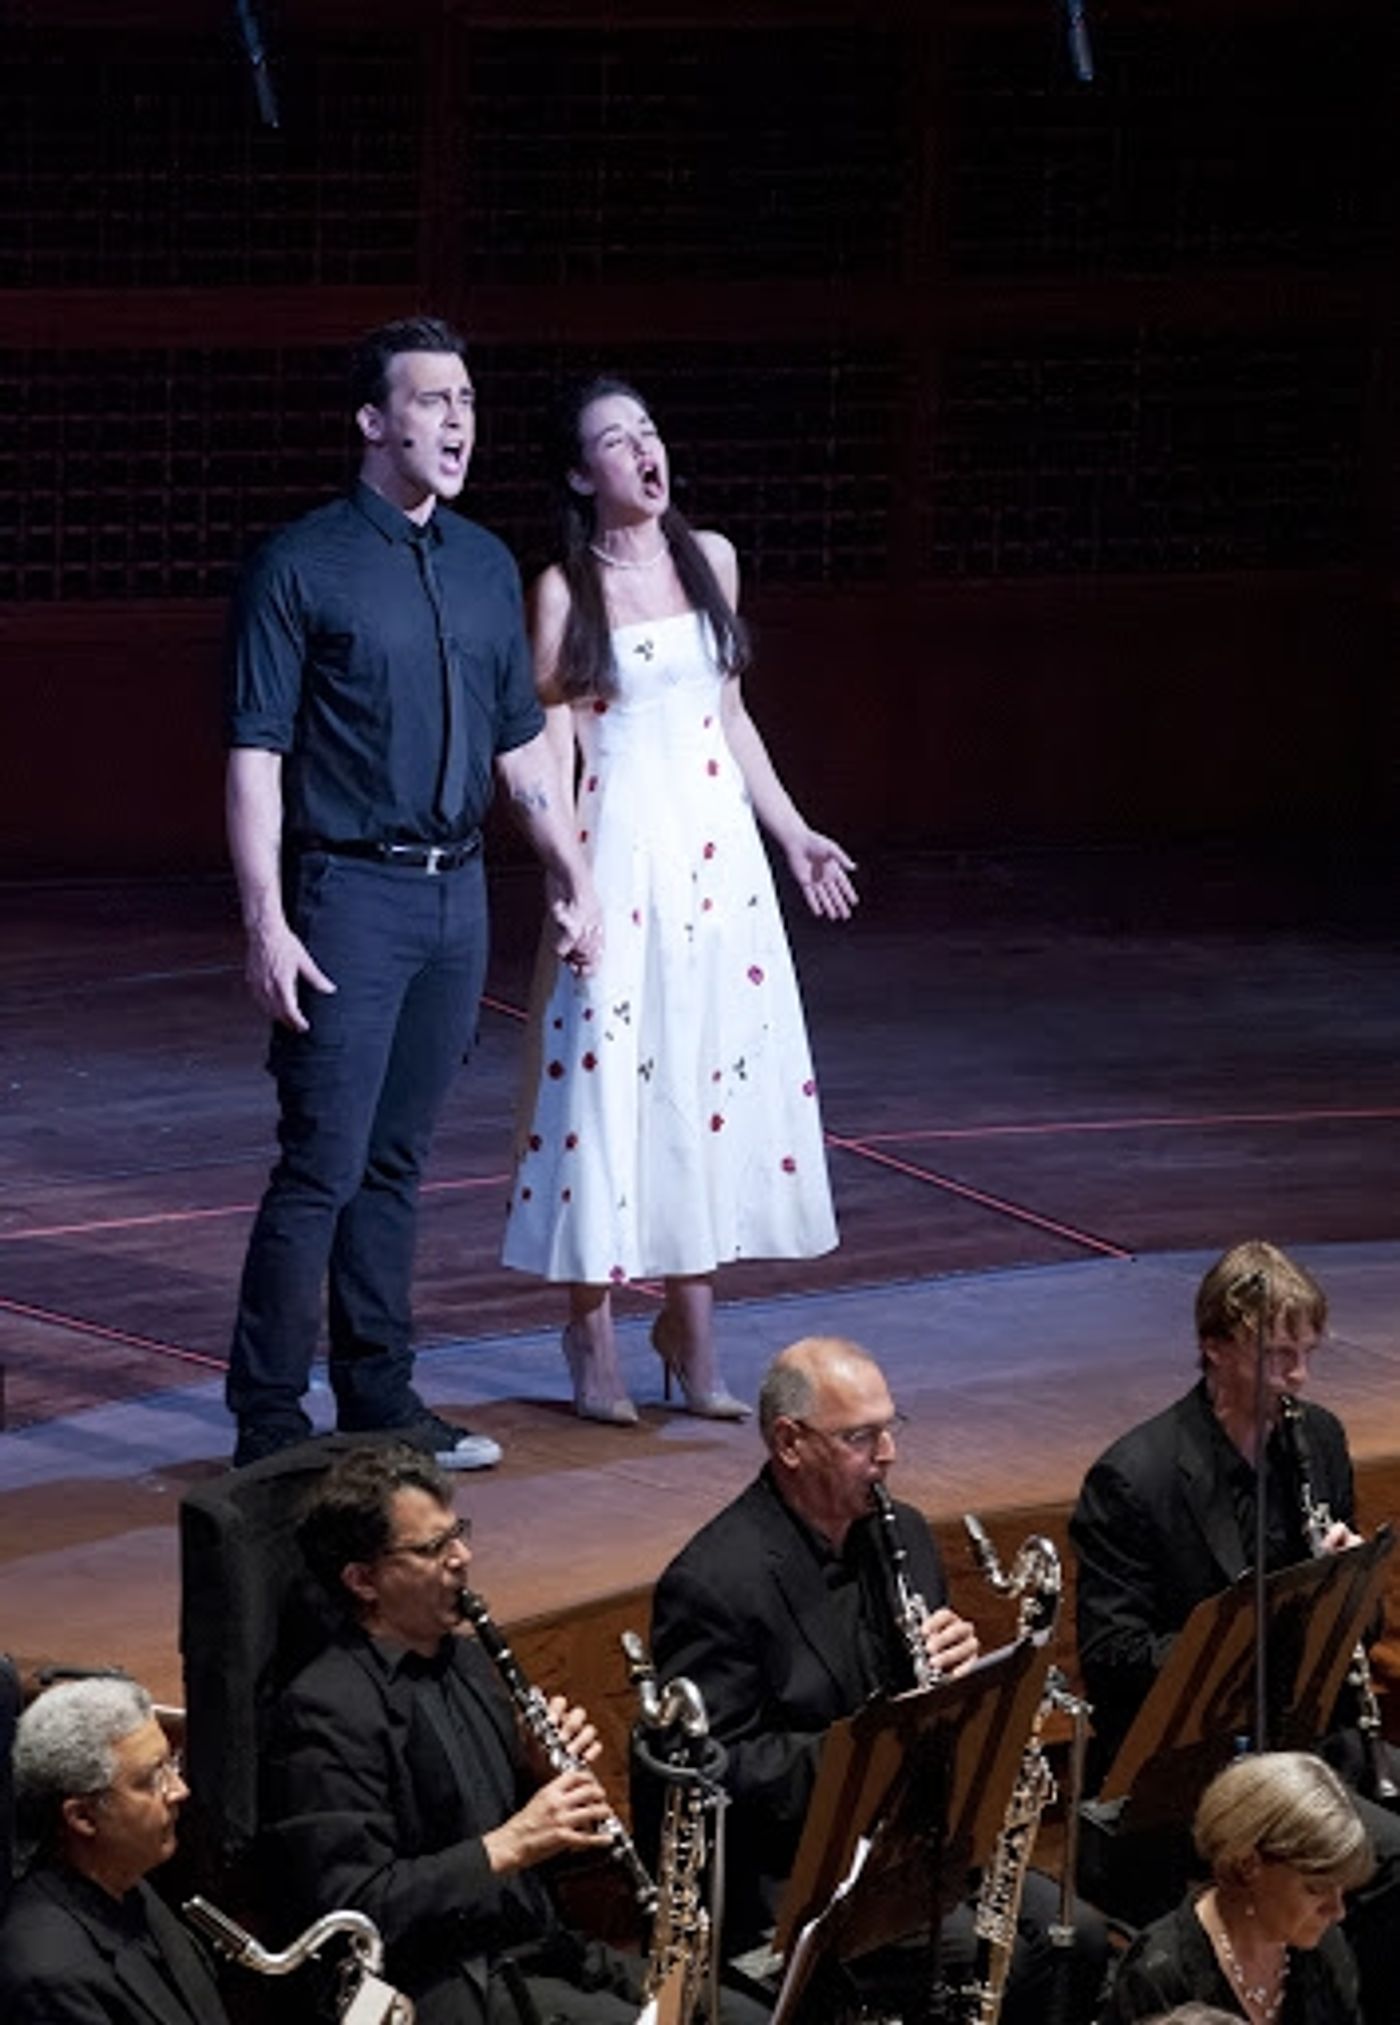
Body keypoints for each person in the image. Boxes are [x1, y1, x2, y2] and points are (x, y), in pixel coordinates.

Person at [224, 315, 600, 1470]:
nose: (456, 421)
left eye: (469, 402)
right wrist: (267, 923)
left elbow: (520, 750)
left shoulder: (487, 565)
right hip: (346, 896)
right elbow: (255, 755)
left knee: (397, 1163)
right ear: (373, 421)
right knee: (322, 1162)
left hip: (455, 903)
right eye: (432, 400)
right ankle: (273, 1423)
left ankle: (381, 1399)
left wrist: (573, 879)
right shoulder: (302, 564)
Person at [501, 377, 856, 1424]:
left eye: (649, 431)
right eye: (616, 441)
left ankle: (691, 1332)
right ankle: (591, 1328)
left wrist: (791, 835)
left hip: (718, 864)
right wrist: (568, 878)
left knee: (704, 1073)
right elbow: (554, 745)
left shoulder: (715, 562)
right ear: (581, 473)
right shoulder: (563, 590)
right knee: (605, 1087)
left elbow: (728, 717)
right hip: (622, 854)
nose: (643, 452)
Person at [646, 1334, 1106, 2023]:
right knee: (1012, 1952)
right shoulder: (714, 1583)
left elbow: (933, 1713)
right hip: (803, 1883)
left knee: (1079, 1937)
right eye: (861, 1436)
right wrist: (877, 1741)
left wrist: (960, 1687)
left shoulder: (906, 1534)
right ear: (789, 1441)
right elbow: (718, 1773)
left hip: (911, 1851)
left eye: (891, 1426)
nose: (887, 1452)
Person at [1069, 1238, 1400, 2011]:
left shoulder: (1316, 1438)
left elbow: (1363, 1627)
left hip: (1304, 1737)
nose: (1297, 1376)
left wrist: (1346, 1587)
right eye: (1277, 1355)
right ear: (1215, 1347)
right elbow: (1113, 1657)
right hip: (1193, 1767)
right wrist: (1245, 1636)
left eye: (1306, 1353)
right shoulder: (1136, 1477)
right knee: (1388, 1859)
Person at [260, 1442, 650, 2025]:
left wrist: (540, 1775)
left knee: (744, 2012)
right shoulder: (324, 1709)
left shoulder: (468, 1662)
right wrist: (507, 1845)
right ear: (363, 1579)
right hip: (447, 1985)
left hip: (538, 1949)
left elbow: (500, 1820)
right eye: (433, 1548)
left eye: (458, 1533)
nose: (462, 1557)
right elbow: (354, 1908)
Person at [0, 1676, 231, 2025]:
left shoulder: (129, 1884)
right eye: (151, 1779)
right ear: (83, 1817)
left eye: (172, 1763)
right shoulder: (50, 1979)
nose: (179, 1790)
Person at [1097, 1752, 1370, 2024]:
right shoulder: (1158, 1975)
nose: (1337, 1911)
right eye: (1316, 1888)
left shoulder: (1324, 1947)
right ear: (1247, 1865)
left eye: (1340, 1889)